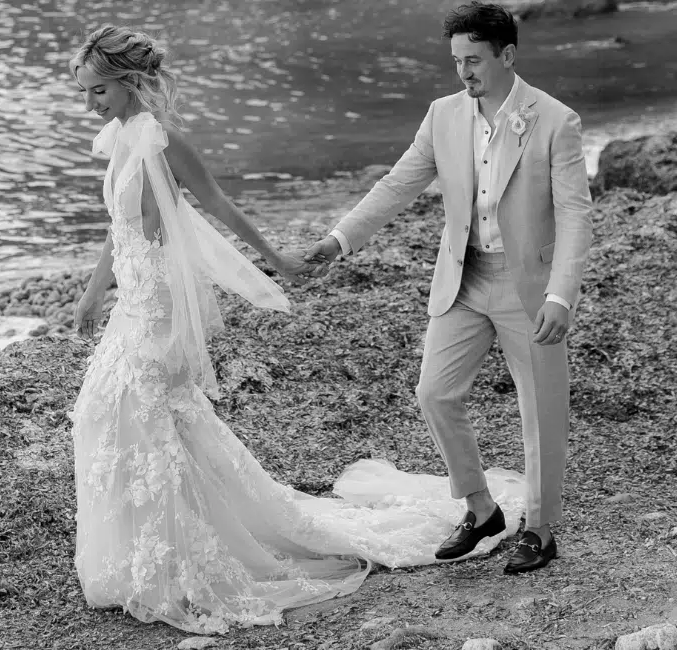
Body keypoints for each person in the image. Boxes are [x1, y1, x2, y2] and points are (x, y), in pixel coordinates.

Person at [66, 24, 529, 635]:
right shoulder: (121, 137)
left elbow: (218, 205)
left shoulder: (164, 141)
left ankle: (175, 561)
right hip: (132, 301)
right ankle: (145, 556)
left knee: (137, 415)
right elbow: (120, 227)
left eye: (98, 91)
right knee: (109, 416)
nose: (89, 104)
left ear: (129, 84)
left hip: (159, 307)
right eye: (84, 92)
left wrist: (277, 260)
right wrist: (93, 292)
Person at [304, 1, 594, 575]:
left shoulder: (556, 121)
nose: (464, 72)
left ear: (507, 55)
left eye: (474, 60)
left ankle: (540, 529)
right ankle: (482, 509)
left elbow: (576, 216)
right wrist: (339, 240)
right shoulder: (442, 115)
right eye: (457, 60)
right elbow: (397, 185)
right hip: (463, 278)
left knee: (541, 409)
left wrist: (561, 296)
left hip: (529, 287)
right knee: (434, 393)